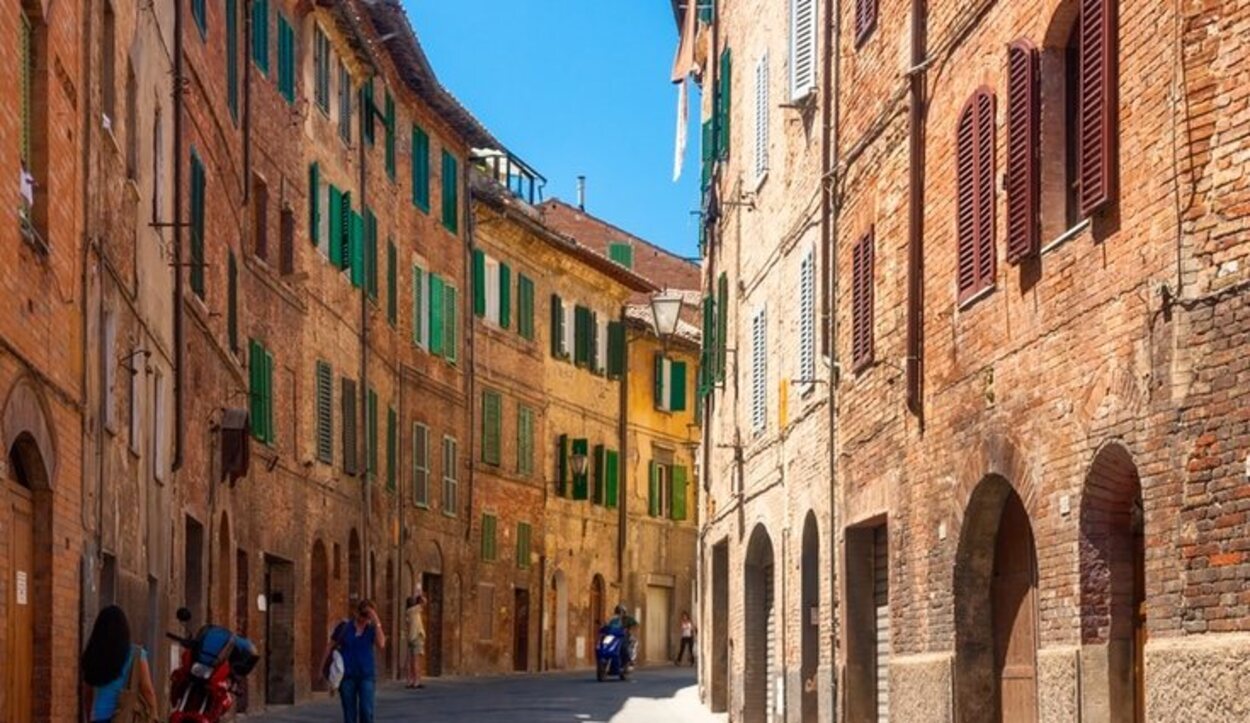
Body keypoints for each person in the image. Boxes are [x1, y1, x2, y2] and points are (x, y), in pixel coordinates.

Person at [81, 605, 158, 723]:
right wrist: (154, 714)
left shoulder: (94, 654)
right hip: (125, 716)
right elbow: (147, 689)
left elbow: (87, 693)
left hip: (98, 716)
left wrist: (88, 716)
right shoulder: (136, 654)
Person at [323, 599, 387, 723]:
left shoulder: (372, 629)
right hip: (347, 677)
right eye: (363, 614)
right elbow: (329, 646)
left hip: (366, 676)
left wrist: (376, 621)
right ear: (357, 612)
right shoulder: (344, 627)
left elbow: (382, 644)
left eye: (368, 615)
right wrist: (322, 669)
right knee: (349, 714)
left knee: (366, 710)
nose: (365, 619)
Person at [404, 593, 426, 689]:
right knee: (417, 660)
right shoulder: (414, 610)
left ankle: (410, 681)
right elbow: (425, 602)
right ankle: (417, 681)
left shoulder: (408, 612)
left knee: (410, 661)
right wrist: (420, 596)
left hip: (410, 638)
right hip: (417, 637)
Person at [607, 604, 639, 668]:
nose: (619, 613)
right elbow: (609, 626)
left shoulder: (629, 618)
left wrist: (629, 630)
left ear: (624, 612)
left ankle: (627, 661)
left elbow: (636, 626)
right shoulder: (614, 620)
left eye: (621, 611)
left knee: (624, 647)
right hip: (615, 636)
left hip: (625, 636)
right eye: (618, 611)